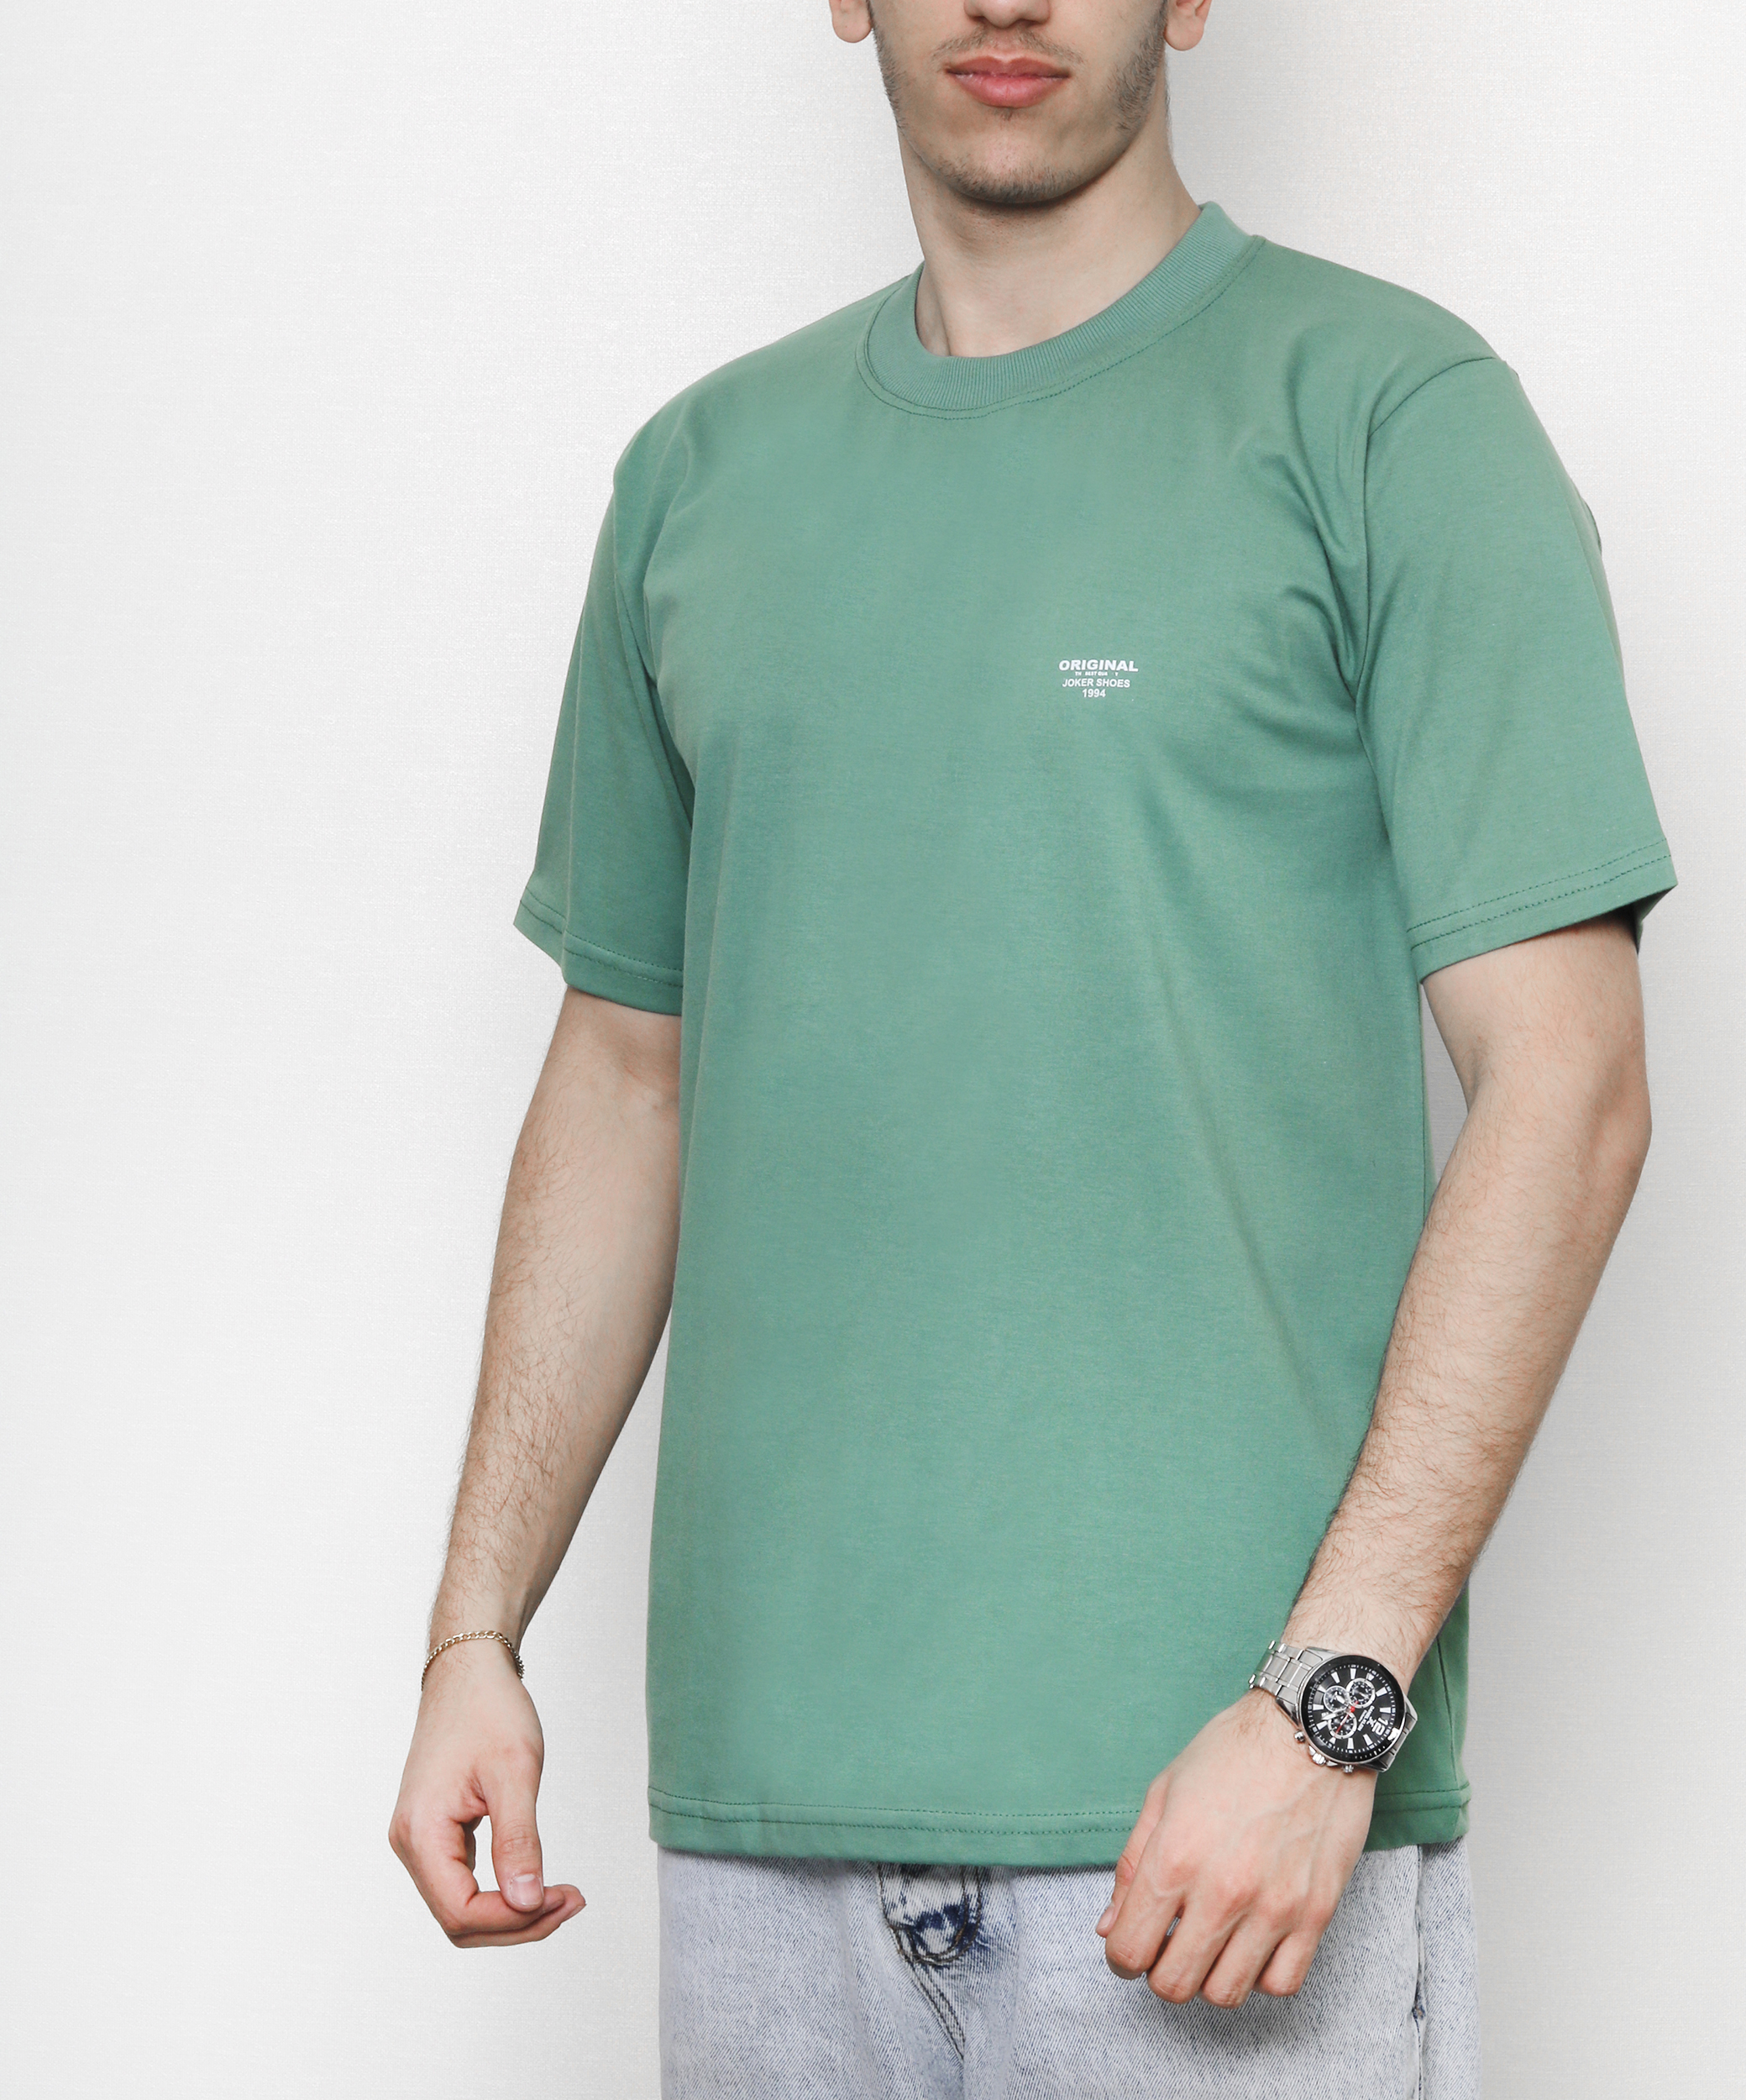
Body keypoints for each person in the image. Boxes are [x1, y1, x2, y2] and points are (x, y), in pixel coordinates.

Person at [388, 3, 1675, 2091]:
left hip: (1221, 1831)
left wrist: (1327, 1705)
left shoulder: (1389, 414)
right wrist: (477, 1626)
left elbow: (1572, 1092)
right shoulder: (700, 475)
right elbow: (625, 1071)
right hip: (761, 1840)